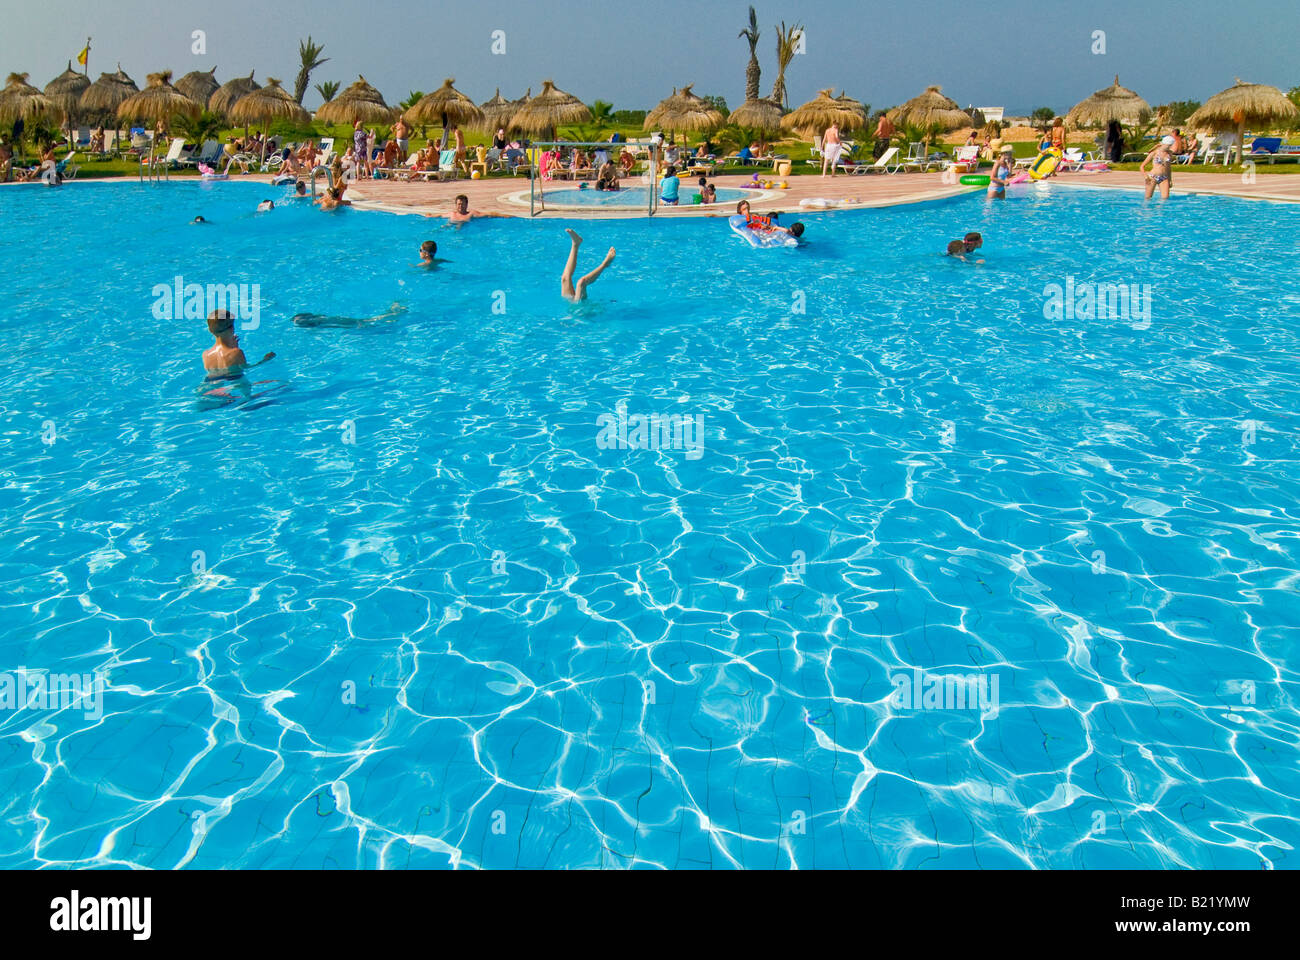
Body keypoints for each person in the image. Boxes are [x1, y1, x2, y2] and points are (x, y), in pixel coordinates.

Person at [203, 309, 274, 377]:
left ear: (210, 330)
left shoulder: (206, 355)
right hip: (235, 380)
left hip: (211, 381)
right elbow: (247, 369)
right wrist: (265, 360)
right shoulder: (236, 353)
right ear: (232, 329)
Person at [560, 228, 615, 302]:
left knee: (564, 278)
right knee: (581, 282)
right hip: (581, 311)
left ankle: (576, 243)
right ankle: (605, 264)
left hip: (571, 308)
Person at [292, 304, 407, 328]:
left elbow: (298, 322)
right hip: (339, 320)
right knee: (367, 321)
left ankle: (394, 313)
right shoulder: (321, 319)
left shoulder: (320, 322)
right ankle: (391, 315)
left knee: (366, 322)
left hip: (341, 321)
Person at [1141, 135, 1175, 199]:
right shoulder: (1154, 153)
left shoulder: (1169, 154)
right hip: (1152, 177)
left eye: (1171, 145)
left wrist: (1170, 180)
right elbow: (1142, 166)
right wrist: (1145, 176)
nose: (1169, 147)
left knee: (1165, 199)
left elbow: (1168, 168)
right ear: (1163, 144)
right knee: (1148, 198)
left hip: (1164, 178)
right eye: (1168, 145)